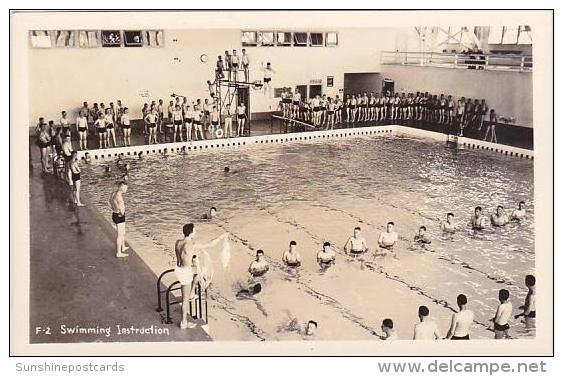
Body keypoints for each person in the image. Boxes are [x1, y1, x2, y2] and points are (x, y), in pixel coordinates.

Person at [175, 223, 227, 329]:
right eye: (195, 231)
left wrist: (193, 257)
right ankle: (183, 322)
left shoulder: (178, 242)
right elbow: (211, 244)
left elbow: (183, 255)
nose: (196, 232)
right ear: (191, 233)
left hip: (178, 269)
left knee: (200, 272)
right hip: (185, 272)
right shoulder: (192, 245)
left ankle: (192, 291)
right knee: (185, 299)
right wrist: (222, 236)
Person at [110, 181, 129, 258]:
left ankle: (123, 246)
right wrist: (122, 213)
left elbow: (110, 202)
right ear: (122, 188)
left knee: (123, 232)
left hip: (114, 214)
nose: (126, 189)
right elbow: (121, 208)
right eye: (126, 188)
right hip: (119, 215)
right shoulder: (119, 197)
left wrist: (115, 209)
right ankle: (119, 253)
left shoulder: (114, 194)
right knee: (120, 235)